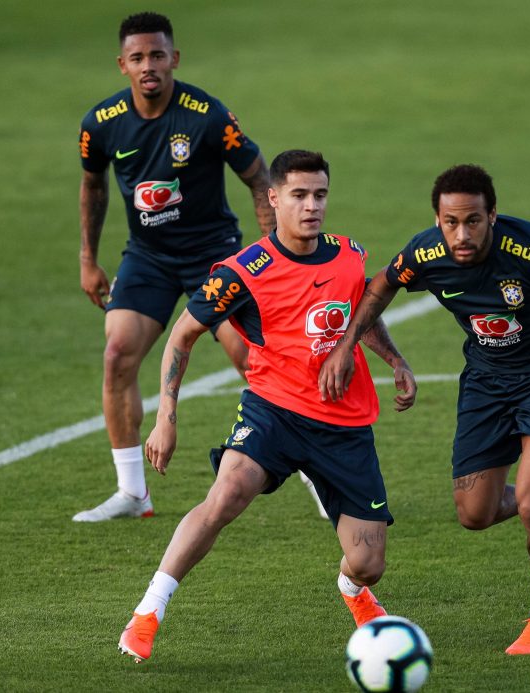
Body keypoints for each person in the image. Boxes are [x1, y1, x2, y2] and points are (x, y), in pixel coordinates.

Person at [117, 150, 417, 663]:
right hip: (272, 411)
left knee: (367, 562)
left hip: (343, 424)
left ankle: (355, 593)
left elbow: (358, 315)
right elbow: (180, 338)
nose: (311, 206)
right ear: (273, 198)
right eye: (299, 195)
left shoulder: (349, 254)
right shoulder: (242, 272)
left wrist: (394, 359)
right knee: (228, 492)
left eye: (320, 195)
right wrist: (167, 417)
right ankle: (147, 613)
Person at [319, 164, 530, 655]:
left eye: (473, 221)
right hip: (485, 379)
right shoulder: (426, 253)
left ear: (492, 216)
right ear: (438, 220)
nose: (462, 234)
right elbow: (382, 285)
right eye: (450, 222)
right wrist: (348, 346)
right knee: (474, 514)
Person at [74, 12, 299, 521]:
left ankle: (310, 465)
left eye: (157, 55)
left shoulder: (206, 116)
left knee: (251, 358)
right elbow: (93, 186)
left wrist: (275, 254)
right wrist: (89, 259)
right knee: (116, 355)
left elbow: (258, 176)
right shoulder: (101, 124)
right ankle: (133, 493)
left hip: (213, 255)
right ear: (122, 65)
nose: (148, 65)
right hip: (147, 257)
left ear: (174, 58)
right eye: (137, 58)